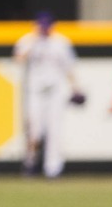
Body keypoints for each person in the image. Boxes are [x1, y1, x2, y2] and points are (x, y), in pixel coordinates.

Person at [13, 11, 83, 180]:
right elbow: (18, 59)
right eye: (41, 25)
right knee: (34, 129)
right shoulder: (28, 40)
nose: (44, 29)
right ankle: (31, 163)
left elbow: (69, 68)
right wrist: (33, 42)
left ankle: (53, 168)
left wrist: (76, 89)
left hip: (56, 92)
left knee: (55, 130)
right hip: (35, 91)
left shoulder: (60, 42)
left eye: (47, 26)